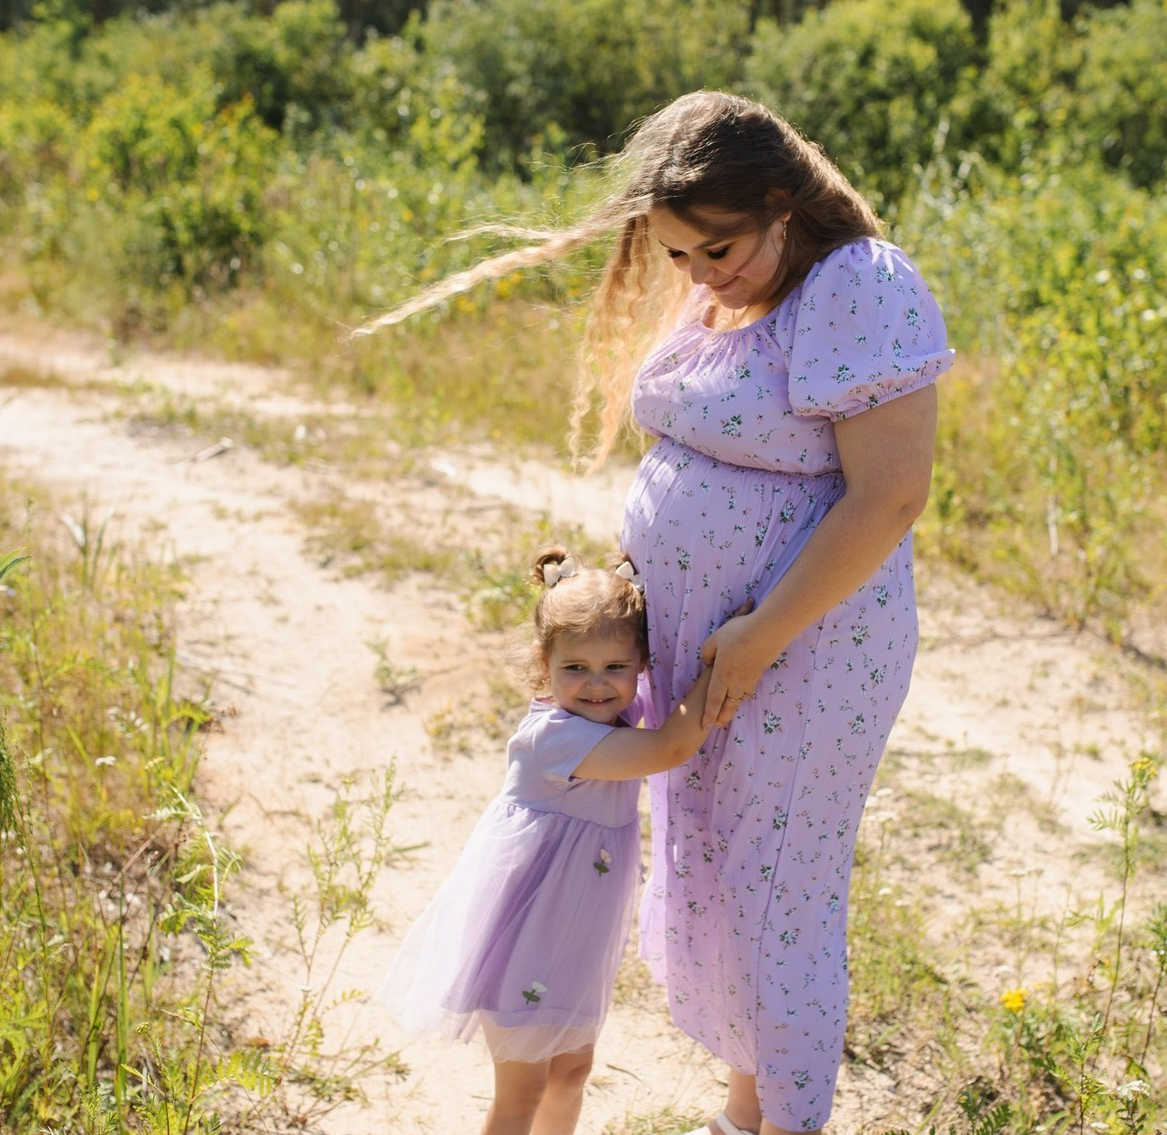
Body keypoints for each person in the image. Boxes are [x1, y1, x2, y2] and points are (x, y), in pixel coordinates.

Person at [362, 91, 954, 1135]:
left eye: (714, 247)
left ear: (782, 203)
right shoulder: (728, 289)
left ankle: (785, 1122)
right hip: (707, 646)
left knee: (779, 885)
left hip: (802, 648)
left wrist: (759, 630)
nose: (697, 273)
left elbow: (888, 495)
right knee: (719, 872)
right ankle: (741, 1105)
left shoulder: (855, 284)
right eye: (677, 254)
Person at [376, 547, 718, 1135]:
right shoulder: (555, 738)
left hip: (575, 938)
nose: (596, 685)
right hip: (528, 939)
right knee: (523, 1090)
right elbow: (670, 748)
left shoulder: (617, 711)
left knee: (572, 1073)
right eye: (575, 668)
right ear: (544, 664)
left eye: (615, 667)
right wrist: (726, 664)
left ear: (640, 664)